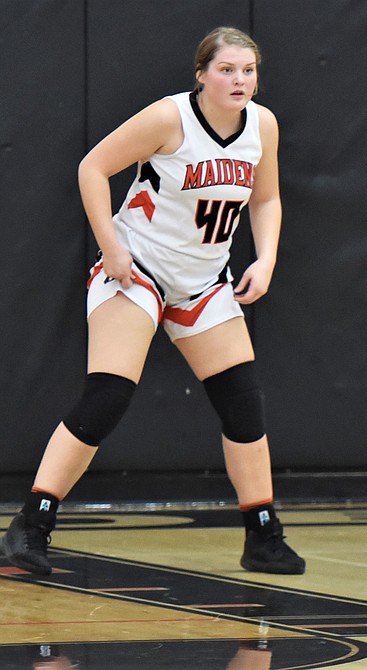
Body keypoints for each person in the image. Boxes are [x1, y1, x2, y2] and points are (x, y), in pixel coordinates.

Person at [0, 27, 304, 576]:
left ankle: (262, 533)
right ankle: (31, 523)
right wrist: (111, 248)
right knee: (109, 395)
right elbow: (92, 167)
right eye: (228, 70)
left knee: (243, 403)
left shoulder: (263, 125)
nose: (240, 80)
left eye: (249, 70)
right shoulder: (169, 117)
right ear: (202, 74)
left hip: (204, 280)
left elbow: (267, 196)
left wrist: (266, 258)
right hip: (137, 268)